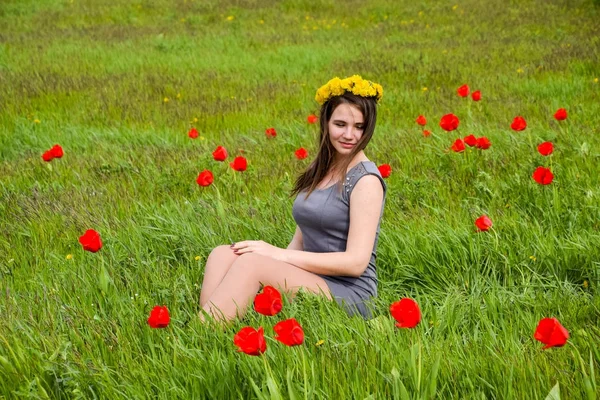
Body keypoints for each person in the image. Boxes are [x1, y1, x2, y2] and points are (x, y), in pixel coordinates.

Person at [199, 75, 386, 323]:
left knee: (252, 264)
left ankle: (202, 334)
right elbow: (303, 236)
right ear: (326, 123)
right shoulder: (323, 169)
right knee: (223, 254)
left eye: (359, 127)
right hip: (311, 276)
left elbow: (355, 263)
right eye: (340, 124)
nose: (349, 134)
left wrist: (276, 256)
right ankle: (213, 326)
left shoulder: (366, 181)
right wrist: (276, 264)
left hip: (349, 292)